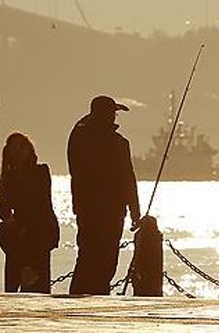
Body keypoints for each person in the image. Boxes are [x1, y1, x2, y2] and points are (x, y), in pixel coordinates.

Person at [67, 95, 141, 296]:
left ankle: (81, 293)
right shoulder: (116, 143)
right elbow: (127, 179)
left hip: (85, 207)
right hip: (110, 209)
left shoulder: (78, 136)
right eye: (112, 113)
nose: (114, 118)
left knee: (87, 255)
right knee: (105, 258)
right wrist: (135, 212)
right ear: (104, 114)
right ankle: (97, 294)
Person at [0, 132, 59, 293]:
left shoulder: (41, 172)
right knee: (5, 231)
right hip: (19, 232)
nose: (18, 150)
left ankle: (26, 270)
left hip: (41, 227)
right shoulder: (7, 178)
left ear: (29, 150)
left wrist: (23, 226)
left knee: (20, 239)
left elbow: (40, 205)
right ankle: (24, 271)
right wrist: (13, 221)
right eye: (14, 147)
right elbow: (3, 212)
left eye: (21, 146)